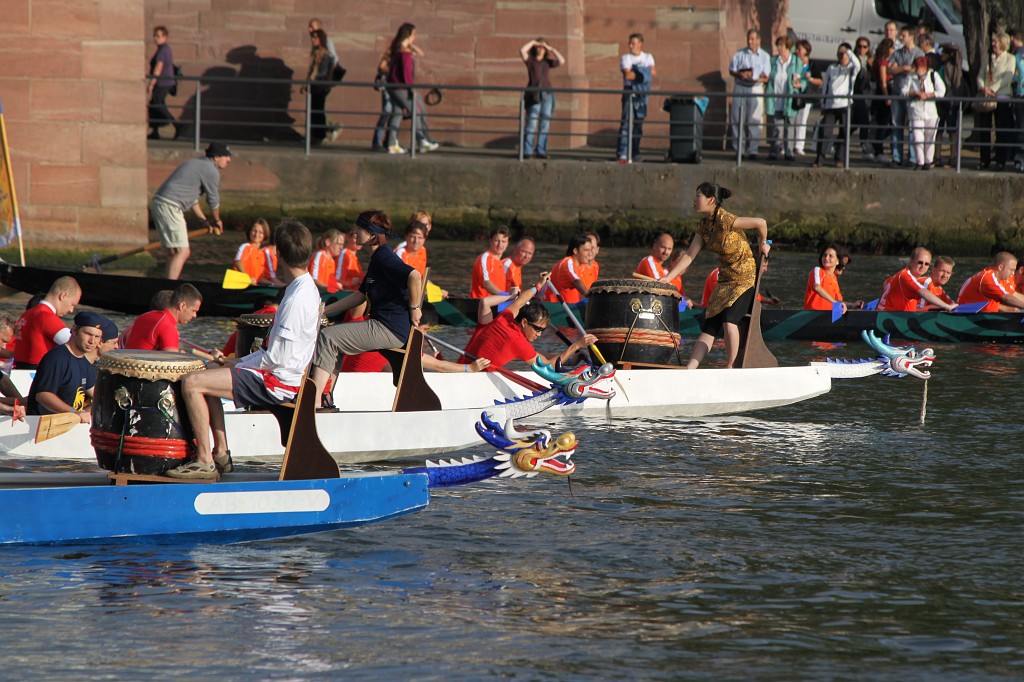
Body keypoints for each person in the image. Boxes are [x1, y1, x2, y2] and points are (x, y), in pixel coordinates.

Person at [166, 219, 321, 479]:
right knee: (207, 376)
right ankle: (221, 454)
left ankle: (204, 461)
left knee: (192, 383)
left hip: (277, 381)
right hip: (282, 374)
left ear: (278, 254)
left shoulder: (296, 300)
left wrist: (237, 363)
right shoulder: (306, 288)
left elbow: (276, 359)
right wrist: (232, 361)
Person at [308, 210, 423, 401]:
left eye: (360, 229)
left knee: (328, 337)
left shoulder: (384, 257)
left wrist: (414, 308)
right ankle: (325, 398)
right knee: (334, 338)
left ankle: (314, 401)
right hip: (386, 326)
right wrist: (324, 311)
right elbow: (359, 296)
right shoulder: (378, 258)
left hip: (389, 328)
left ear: (372, 234)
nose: (355, 233)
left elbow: (414, 276)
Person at [660, 182, 770, 369]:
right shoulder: (703, 225)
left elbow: (761, 223)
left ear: (711, 200)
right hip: (725, 277)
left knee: (729, 321)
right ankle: (690, 369)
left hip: (745, 276)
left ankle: (731, 367)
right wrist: (668, 278)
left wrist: (763, 244)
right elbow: (689, 255)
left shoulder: (726, 220)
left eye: (698, 196)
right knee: (709, 327)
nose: (694, 200)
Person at [461, 272, 596, 371]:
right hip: (471, 380)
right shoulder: (517, 342)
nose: (539, 334)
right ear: (524, 322)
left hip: (458, 369)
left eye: (543, 330)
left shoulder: (504, 318)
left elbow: (519, 301)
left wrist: (538, 286)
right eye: (538, 329)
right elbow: (550, 366)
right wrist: (577, 345)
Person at [151, 142, 230, 280]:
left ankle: (166, 285)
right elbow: (213, 201)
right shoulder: (211, 171)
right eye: (226, 156)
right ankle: (170, 288)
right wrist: (217, 220)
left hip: (159, 203)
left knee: (174, 251)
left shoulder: (196, 163)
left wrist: (203, 220)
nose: (229, 159)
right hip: (170, 205)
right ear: (216, 157)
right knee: (183, 252)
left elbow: (192, 199)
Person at [26, 312, 108, 423]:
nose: (92, 341)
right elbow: (43, 395)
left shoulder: (85, 363)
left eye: (97, 337)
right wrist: (74, 413)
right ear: (74, 330)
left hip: (69, 425)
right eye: (88, 334)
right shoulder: (57, 357)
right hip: (43, 426)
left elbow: (98, 395)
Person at [385, 23, 439, 155]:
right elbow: (407, 74)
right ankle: (421, 142)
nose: (415, 36)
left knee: (397, 114)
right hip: (401, 87)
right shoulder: (405, 54)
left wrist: (409, 43)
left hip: (392, 86)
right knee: (416, 112)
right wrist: (412, 89)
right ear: (408, 35)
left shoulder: (398, 50)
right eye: (414, 34)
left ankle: (392, 143)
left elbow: (421, 54)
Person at [13, 276, 80, 369]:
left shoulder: (25, 315)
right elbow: (77, 345)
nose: (71, 310)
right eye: (72, 304)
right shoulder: (46, 317)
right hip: (39, 373)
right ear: (63, 295)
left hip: (20, 371)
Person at [813, 42, 861, 169]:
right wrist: (823, 102)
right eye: (839, 53)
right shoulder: (831, 68)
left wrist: (849, 52)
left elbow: (858, 65)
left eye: (843, 53)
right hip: (830, 105)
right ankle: (820, 158)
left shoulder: (851, 68)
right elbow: (825, 86)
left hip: (845, 105)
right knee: (825, 132)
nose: (841, 55)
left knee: (844, 132)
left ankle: (839, 159)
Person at [120, 283, 203, 352]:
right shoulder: (168, 327)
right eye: (193, 310)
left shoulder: (144, 316)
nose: (195, 315)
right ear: (182, 306)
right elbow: (172, 365)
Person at [729, 28, 771, 160]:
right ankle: (739, 149)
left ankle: (753, 149)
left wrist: (754, 78)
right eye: (748, 39)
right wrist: (740, 74)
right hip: (740, 87)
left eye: (753, 39)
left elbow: (766, 76)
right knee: (737, 118)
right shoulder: (740, 54)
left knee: (755, 119)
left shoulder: (765, 56)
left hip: (755, 87)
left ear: (758, 40)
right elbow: (732, 70)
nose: (750, 41)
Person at [519, 38, 565, 159]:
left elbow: (562, 61)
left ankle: (541, 151)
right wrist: (534, 42)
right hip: (534, 95)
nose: (541, 49)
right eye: (539, 47)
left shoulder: (547, 62)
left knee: (545, 124)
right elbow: (522, 50)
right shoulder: (530, 61)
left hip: (547, 95)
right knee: (531, 124)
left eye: (542, 47)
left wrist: (551, 48)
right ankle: (528, 152)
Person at [976, 31, 1016, 171]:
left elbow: (1006, 78)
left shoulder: (1010, 59)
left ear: (1003, 43)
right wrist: (983, 87)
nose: (993, 44)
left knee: (1001, 130)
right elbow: (980, 75)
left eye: (996, 42)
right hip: (986, 97)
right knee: (984, 129)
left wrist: (993, 89)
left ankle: (1001, 160)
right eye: (993, 42)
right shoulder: (988, 58)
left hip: (1001, 97)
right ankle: (984, 160)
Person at [900, 55, 945, 170]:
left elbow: (941, 90)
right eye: (917, 67)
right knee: (917, 137)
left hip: (930, 112)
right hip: (916, 111)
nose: (919, 70)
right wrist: (914, 92)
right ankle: (919, 161)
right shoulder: (911, 77)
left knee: (930, 138)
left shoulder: (933, 75)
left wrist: (929, 95)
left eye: (921, 67)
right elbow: (903, 91)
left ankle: (928, 161)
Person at [617, 33, 655, 163]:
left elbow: (653, 73)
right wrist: (643, 73)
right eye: (629, 43)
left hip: (643, 93)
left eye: (633, 43)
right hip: (630, 91)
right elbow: (628, 75)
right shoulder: (626, 57)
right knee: (626, 123)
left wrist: (637, 73)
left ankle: (634, 152)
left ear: (640, 44)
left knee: (638, 124)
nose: (630, 46)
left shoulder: (648, 57)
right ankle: (623, 153)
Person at [877, 247, 955, 312]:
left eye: (926, 264)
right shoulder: (905, 276)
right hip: (888, 319)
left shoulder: (902, 275)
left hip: (897, 317)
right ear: (911, 262)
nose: (923, 266)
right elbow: (923, 292)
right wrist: (947, 307)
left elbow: (886, 283)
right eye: (920, 262)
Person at [765, 35, 805, 161]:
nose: (778, 48)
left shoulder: (796, 61)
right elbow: (768, 77)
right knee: (777, 127)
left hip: (790, 100)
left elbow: (803, 79)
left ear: (788, 47)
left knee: (790, 126)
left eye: (781, 45)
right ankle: (775, 151)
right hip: (776, 99)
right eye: (778, 45)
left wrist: (800, 85)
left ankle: (789, 152)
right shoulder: (773, 61)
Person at [889, 25, 924, 167]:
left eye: (903, 35)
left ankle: (913, 157)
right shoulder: (897, 53)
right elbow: (890, 68)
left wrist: (902, 69)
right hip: (898, 92)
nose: (901, 38)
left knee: (912, 126)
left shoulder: (919, 53)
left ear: (911, 36)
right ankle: (896, 157)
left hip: (912, 94)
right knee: (896, 124)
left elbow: (919, 69)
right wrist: (903, 68)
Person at [957, 252, 1024, 312]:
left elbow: (1013, 294)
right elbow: (1006, 298)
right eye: (1011, 270)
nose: (1013, 273)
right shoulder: (987, 278)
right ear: (1000, 267)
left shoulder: (1001, 279)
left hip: (983, 314)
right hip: (966, 314)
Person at [301, 28, 335, 146]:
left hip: (320, 86)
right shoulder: (316, 53)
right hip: (314, 85)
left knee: (318, 110)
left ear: (321, 39)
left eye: (315, 37)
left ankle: (321, 135)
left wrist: (313, 78)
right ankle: (314, 135)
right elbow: (311, 70)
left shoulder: (324, 54)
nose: (313, 39)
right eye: (312, 37)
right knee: (313, 111)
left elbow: (323, 72)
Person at [546, 234, 595, 304]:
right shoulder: (567, 264)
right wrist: (594, 299)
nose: (590, 254)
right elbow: (579, 284)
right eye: (586, 250)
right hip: (555, 308)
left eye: (590, 250)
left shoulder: (581, 265)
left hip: (570, 307)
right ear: (575, 250)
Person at [147, 26, 176, 140]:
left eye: (159, 36)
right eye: (155, 36)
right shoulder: (163, 49)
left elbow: (159, 67)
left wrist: (151, 83)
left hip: (163, 82)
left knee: (158, 104)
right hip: (163, 82)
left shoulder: (164, 49)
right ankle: (155, 131)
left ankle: (178, 125)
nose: (156, 38)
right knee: (154, 105)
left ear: (165, 37)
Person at [869, 38, 896, 162]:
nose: (893, 50)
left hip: (884, 92)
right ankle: (877, 148)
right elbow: (883, 81)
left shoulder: (881, 61)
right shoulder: (882, 62)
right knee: (885, 123)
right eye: (892, 47)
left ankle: (876, 144)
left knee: (885, 122)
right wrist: (887, 97)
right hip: (885, 92)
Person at [792, 40, 820, 156]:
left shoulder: (812, 64)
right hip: (794, 94)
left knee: (802, 120)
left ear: (806, 51)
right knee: (791, 120)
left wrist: (810, 79)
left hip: (806, 96)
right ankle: (787, 144)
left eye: (800, 49)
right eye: (797, 49)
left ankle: (799, 145)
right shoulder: (793, 62)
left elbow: (820, 81)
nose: (797, 51)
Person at [804, 245, 847, 312]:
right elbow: (817, 287)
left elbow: (838, 300)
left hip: (827, 315)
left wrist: (852, 305)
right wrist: (835, 302)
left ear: (837, 261)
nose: (826, 258)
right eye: (824, 255)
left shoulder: (834, 278)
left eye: (830, 256)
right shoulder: (817, 270)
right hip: (812, 314)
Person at [470, 226, 510, 297]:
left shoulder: (501, 263)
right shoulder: (484, 258)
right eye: (496, 241)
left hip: (498, 303)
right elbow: (486, 283)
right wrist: (505, 296)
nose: (500, 245)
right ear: (490, 241)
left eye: (503, 241)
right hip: (480, 304)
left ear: (507, 244)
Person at [852, 37, 874, 159]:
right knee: (864, 119)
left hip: (867, 93)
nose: (862, 49)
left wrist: (871, 66)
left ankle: (839, 139)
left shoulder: (870, 61)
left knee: (856, 121)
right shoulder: (854, 60)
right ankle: (865, 145)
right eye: (859, 46)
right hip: (857, 93)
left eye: (864, 47)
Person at [234, 219, 270, 285]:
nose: (256, 234)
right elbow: (237, 262)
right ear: (250, 231)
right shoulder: (245, 246)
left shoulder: (262, 254)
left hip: (253, 287)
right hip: (240, 285)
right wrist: (247, 278)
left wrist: (273, 285)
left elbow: (259, 278)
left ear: (264, 235)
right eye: (254, 231)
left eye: (260, 232)